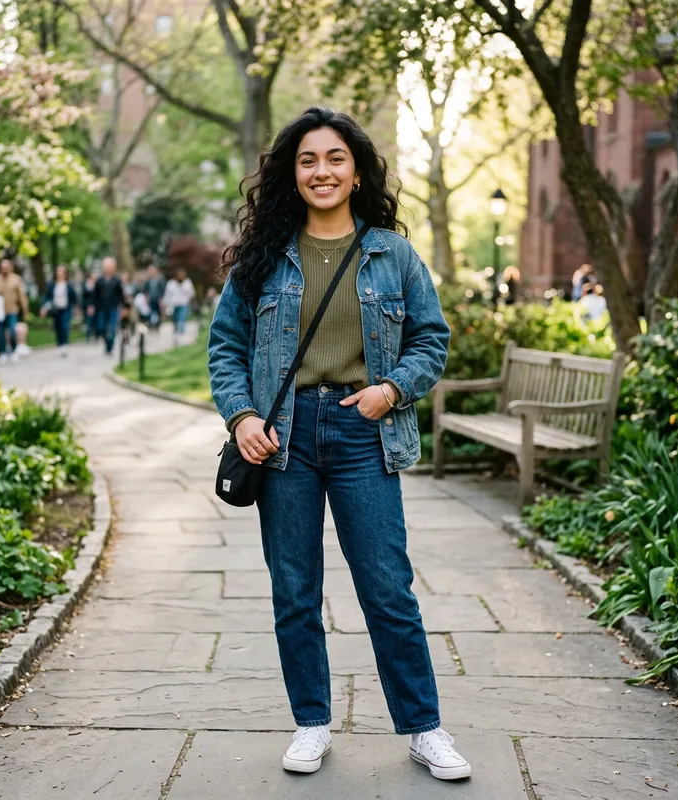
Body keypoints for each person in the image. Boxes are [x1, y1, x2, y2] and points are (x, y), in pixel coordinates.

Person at [208, 107, 469, 781]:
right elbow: (225, 347)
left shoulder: (393, 253)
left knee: (387, 588)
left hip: (363, 431)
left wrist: (392, 390)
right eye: (306, 161)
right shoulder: (263, 259)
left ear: (356, 172)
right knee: (295, 589)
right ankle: (311, 723)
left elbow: (431, 338)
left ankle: (424, 728)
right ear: (291, 175)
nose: (320, 171)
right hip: (282, 439)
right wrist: (241, 417)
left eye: (334, 159)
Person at [0, 257, 29, 363]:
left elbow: (22, 295)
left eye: (6, 267)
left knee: (12, 330)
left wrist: (25, 310)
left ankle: (14, 350)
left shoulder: (16, 279)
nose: (4, 269)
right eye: (2, 267)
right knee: (0, 332)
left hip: (12, 309)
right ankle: (3, 352)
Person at [41, 264, 78, 356]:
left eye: (61, 271)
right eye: (58, 271)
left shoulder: (69, 284)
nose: (60, 273)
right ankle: (59, 344)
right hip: (56, 309)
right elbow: (47, 297)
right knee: (57, 327)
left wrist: (76, 308)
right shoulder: (52, 284)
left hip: (66, 308)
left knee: (64, 326)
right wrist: (44, 308)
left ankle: (64, 345)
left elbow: (74, 297)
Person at [90, 257, 125, 355]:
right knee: (102, 327)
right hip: (101, 308)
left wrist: (122, 307)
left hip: (113, 307)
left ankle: (110, 347)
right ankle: (106, 344)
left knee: (112, 328)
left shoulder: (117, 281)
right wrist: (92, 306)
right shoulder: (99, 281)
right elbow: (94, 295)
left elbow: (120, 295)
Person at [163, 269, 194, 344]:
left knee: (181, 319)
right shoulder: (171, 283)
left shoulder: (187, 283)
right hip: (173, 305)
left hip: (183, 304)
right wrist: (166, 304)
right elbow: (167, 295)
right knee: (175, 320)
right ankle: (176, 333)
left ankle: (181, 335)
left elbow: (191, 294)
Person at [143, 264, 166, 329]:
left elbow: (163, 289)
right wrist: (146, 297)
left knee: (158, 312)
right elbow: (145, 290)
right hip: (151, 299)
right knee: (151, 311)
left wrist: (161, 298)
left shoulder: (160, 279)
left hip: (158, 299)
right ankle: (151, 324)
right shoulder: (148, 280)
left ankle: (158, 324)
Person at [81, 273, 98, 341]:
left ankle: (94, 334)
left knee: (93, 321)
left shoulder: (96, 286)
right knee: (89, 321)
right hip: (87, 306)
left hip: (94, 306)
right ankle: (88, 335)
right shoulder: (85, 285)